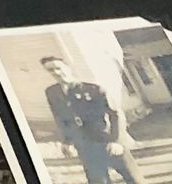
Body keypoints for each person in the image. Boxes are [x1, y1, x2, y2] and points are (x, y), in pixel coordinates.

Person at [41, 56, 140, 184]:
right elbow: (60, 118)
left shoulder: (93, 89)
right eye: (51, 70)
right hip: (85, 147)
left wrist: (116, 141)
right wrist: (67, 141)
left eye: (58, 68)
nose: (56, 72)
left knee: (134, 179)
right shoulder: (52, 92)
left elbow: (116, 115)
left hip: (107, 141)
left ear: (68, 68)